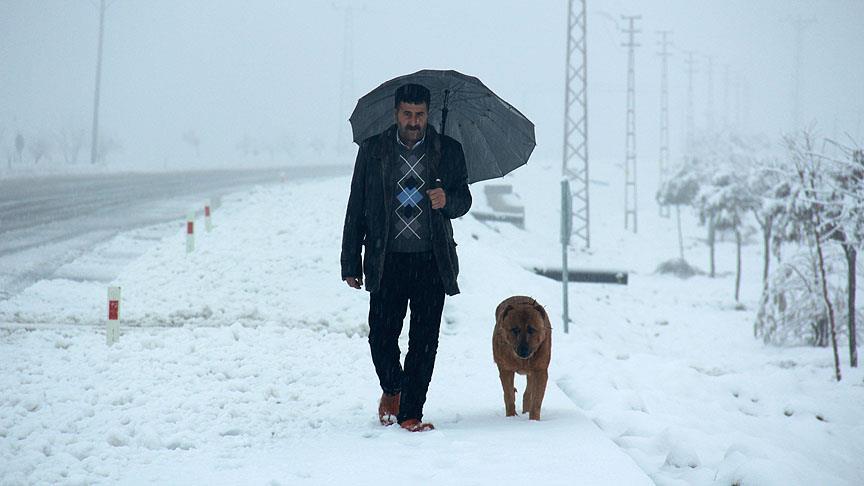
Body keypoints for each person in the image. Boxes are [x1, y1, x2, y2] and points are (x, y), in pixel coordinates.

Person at [341, 83, 472, 432]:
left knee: (424, 341)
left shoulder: (448, 151)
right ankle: (393, 387)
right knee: (380, 337)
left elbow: (464, 199)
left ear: (428, 115)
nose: (414, 121)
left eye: (420, 115)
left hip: (432, 260)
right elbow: (356, 206)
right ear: (396, 113)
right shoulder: (374, 151)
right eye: (407, 114)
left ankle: (411, 411)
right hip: (387, 259)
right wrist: (350, 262)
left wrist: (448, 199)